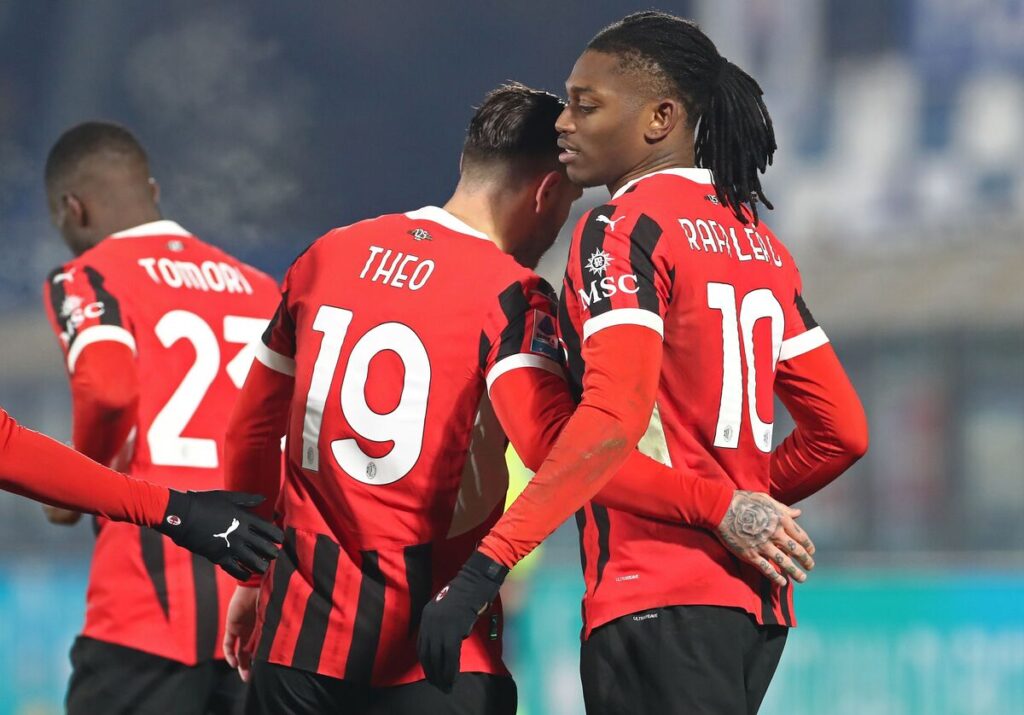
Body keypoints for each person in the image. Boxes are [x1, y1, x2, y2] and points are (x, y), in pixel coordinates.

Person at [221, 82, 806, 715]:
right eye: (567, 204)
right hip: (439, 659)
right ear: (546, 193)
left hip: (297, 648)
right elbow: (563, 453)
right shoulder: (514, 297)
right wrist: (717, 503)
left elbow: (248, 434)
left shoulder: (325, 258)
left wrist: (252, 577)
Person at [418, 12, 869, 715]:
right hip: (754, 608)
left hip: (654, 594)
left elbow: (608, 420)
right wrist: (745, 498)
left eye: (586, 104)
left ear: (660, 117)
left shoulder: (622, 226)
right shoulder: (758, 243)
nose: (564, 122)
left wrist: (487, 565)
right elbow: (842, 430)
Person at [41, 121, 282, 715]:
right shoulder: (260, 289)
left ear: (73, 209)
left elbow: (107, 388)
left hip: (147, 604)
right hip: (260, 602)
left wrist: (73, 481)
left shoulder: (89, 276)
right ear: (151, 188)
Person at [0, 406, 281, 575]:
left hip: (138, 604)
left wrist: (178, 512)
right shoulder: (277, 306)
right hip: (235, 580)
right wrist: (179, 512)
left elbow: (107, 390)